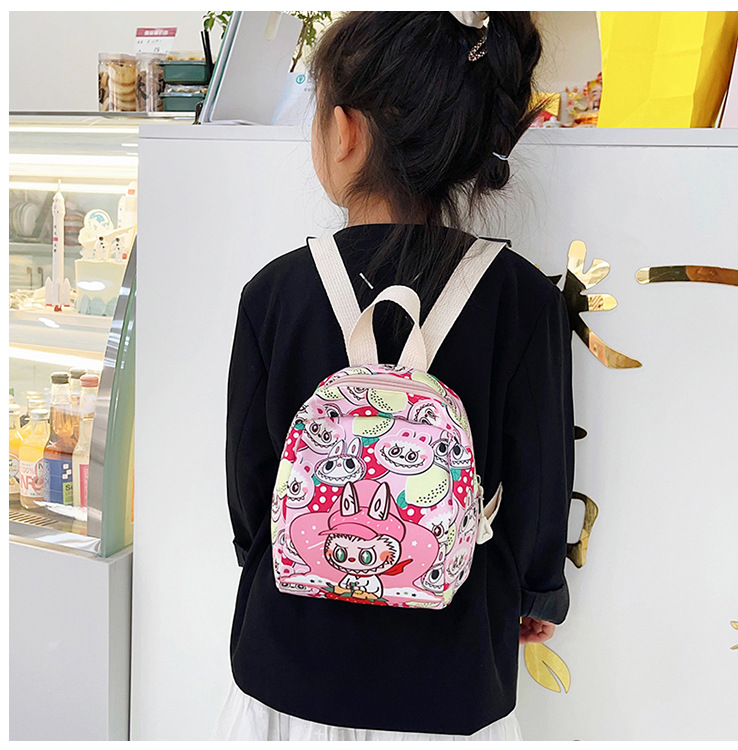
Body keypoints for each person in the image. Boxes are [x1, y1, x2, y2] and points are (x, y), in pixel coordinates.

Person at [213, 11, 575, 741]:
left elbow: (251, 481)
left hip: (291, 658)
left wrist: (271, 563)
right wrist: (538, 592)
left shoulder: (276, 292)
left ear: (345, 131)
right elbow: (540, 472)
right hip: (450, 670)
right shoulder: (522, 297)